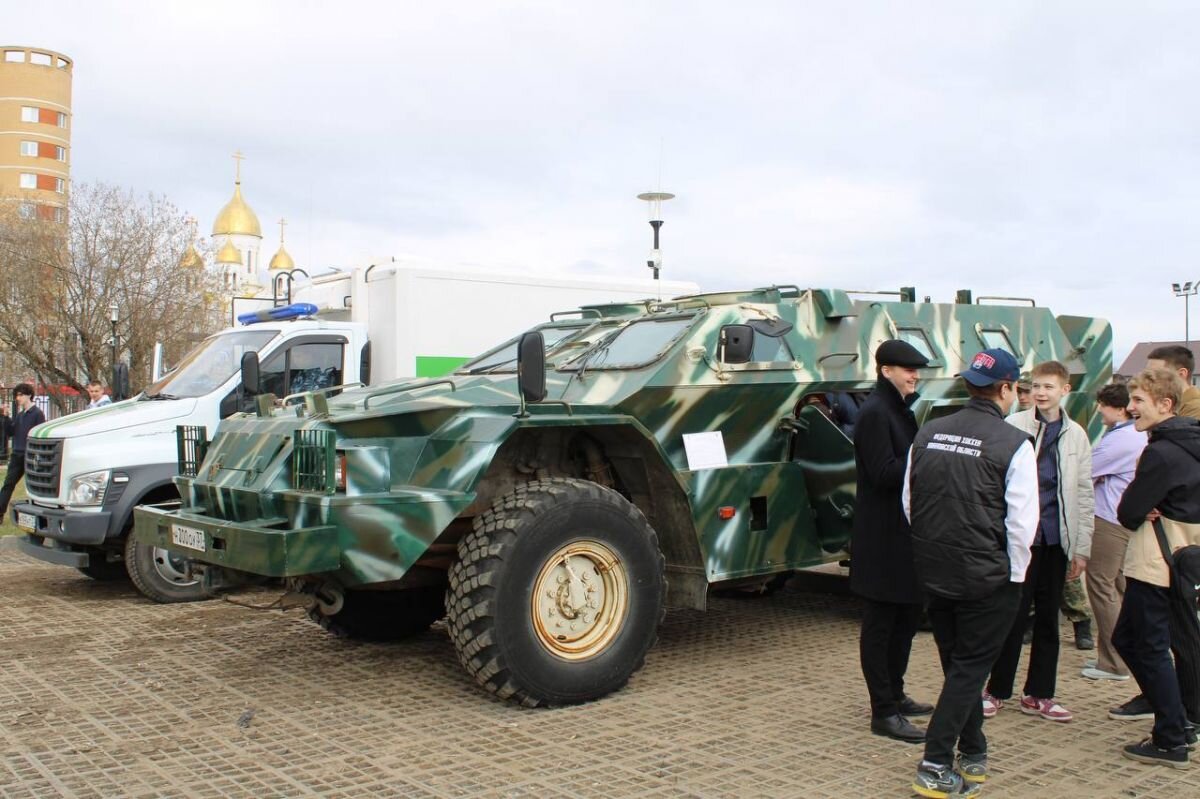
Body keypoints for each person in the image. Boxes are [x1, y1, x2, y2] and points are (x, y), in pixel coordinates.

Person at [904, 348, 1038, 798]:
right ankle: (935, 763)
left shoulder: (928, 433)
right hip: (988, 577)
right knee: (968, 671)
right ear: (1005, 389)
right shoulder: (1015, 443)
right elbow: (1022, 522)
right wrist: (1015, 576)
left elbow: (910, 503)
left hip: (936, 569)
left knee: (958, 666)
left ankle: (973, 748)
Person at [983, 360, 1093, 723]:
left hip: (1055, 542)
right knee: (1012, 617)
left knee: (1049, 620)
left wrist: (1081, 547)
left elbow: (1083, 492)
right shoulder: (1013, 426)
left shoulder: (1076, 434)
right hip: (1020, 542)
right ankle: (997, 690)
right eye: (1036, 386)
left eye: (1049, 387)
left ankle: (1040, 694)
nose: (1041, 393)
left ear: (1065, 389)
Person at [1112, 367, 1200, 768]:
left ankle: (1170, 736)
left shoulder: (1161, 451)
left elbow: (1128, 511)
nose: (1131, 408)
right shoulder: (1191, 441)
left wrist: (1138, 507)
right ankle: (1179, 720)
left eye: (1139, 401)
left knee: (1146, 647)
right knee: (1129, 639)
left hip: (1155, 564)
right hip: (1183, 562)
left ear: (1165, 404)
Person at [850, 339, 933, 743]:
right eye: (907, 369)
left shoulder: (898, 409)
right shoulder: (875, 413)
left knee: (905, 619)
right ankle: (882, 711)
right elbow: (883, 472)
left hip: (904, 534)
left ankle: (896, 695)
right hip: (882, 537)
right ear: (886, 370)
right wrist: (925, 457)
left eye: (916, 370)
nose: (914, 375)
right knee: (882, 624)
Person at [1082, 383, 1145, 681]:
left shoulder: (1120, 440)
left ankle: (1113, 661)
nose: (1099, 410)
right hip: (1122, 520)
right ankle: (1127, 655)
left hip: (1108, 520)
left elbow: (1086, 471)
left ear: (1118, 408)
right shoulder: (1134, 435)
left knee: (1101, 586)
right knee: (1118, 587)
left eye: (1103, 405)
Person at [0, 383, 47, 519]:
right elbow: (11, 432)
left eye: (20, 395)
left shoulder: (37, 414)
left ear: (29, 396)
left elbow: (39, 436)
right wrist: (5, 417)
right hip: (17, 455)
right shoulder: (20, 415)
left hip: (30, 455)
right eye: (16, 396)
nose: (18, 398)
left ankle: (38, 513)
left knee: (35, 486)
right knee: (8, 484)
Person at [1146, 345, 1200, 418]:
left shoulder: (1196, 408)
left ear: (1181, 374)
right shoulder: (1170, 404)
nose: (1148, 379)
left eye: (1157, 373)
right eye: (1147, 374)